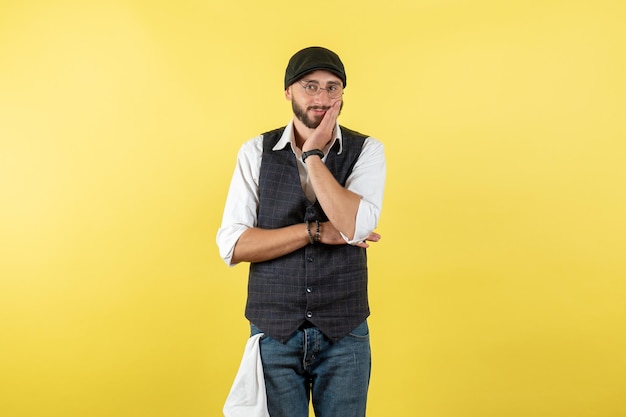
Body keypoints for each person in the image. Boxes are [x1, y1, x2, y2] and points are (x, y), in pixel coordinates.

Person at [217, 46, 386, 417]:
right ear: (288, 92)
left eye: (332, 87)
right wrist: (314, 231)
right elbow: (233, 244)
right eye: (310, 86)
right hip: (274, 333)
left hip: (345, 334)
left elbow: (354, 225)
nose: (323, 98)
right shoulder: (255, 152)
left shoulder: (367, 151)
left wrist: (311, 154)